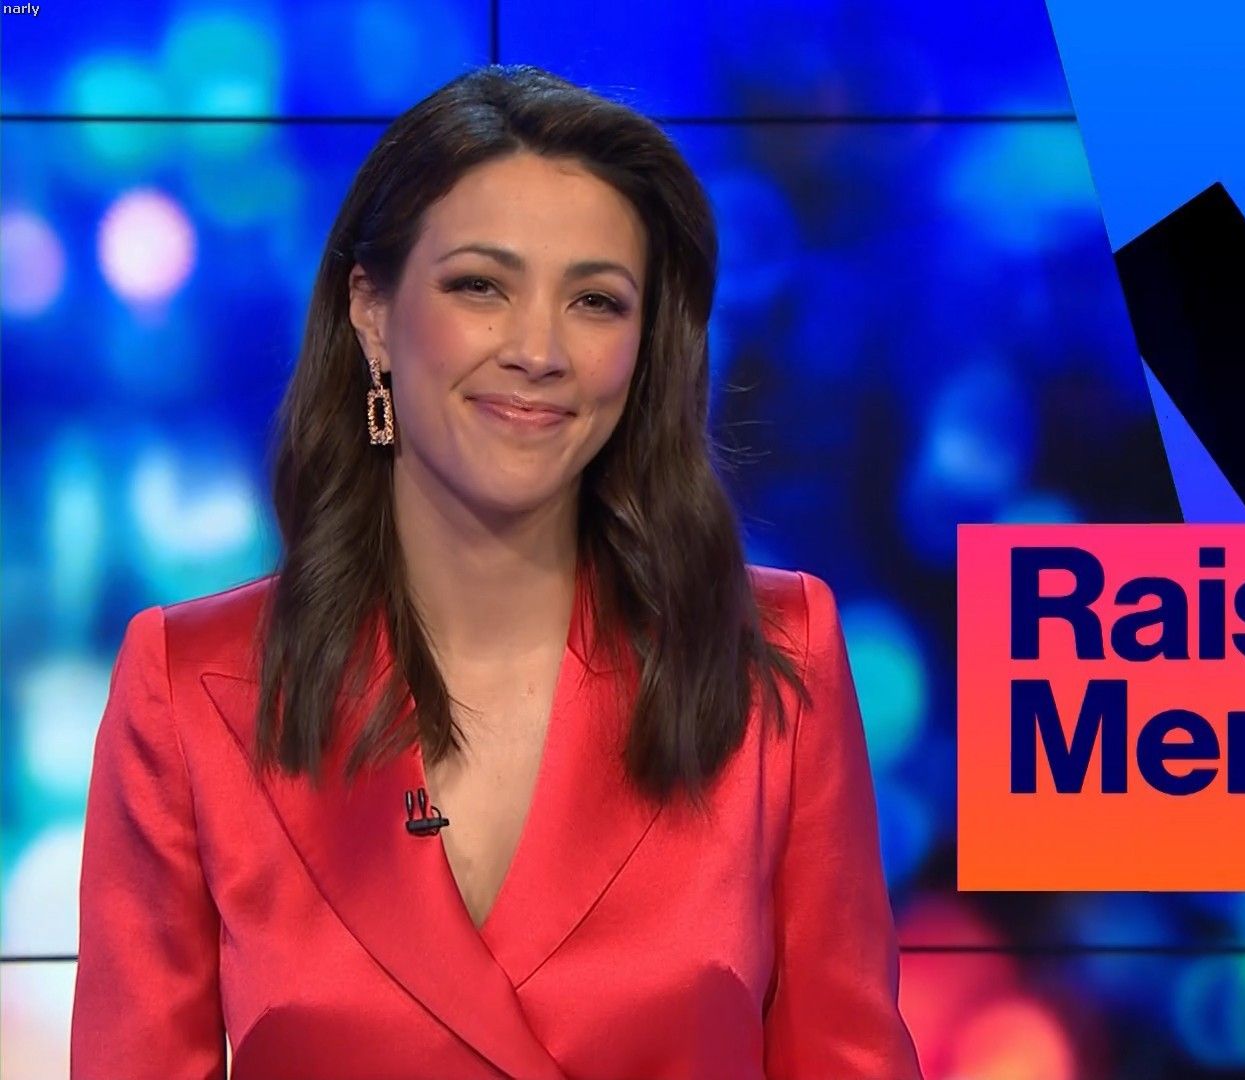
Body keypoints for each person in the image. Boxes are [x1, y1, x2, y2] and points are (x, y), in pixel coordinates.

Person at [71, 64, 922, 1080]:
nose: (538, 349)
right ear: (371, 311)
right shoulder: (192, 686)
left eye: (596, 301)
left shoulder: (774, 661)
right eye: (481, 286)